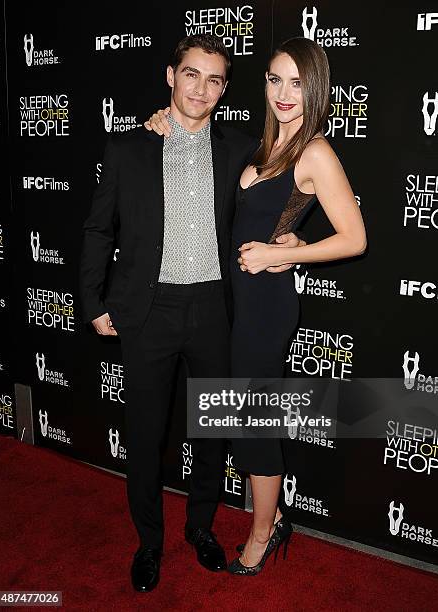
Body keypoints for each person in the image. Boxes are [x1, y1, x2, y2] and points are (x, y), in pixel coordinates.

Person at [79, 34, 303, 593]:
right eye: (192, 75)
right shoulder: (129, 148)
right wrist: (93, 302)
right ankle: (148, 542)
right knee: (146, 431)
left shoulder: (243, 150)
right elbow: (98, 230)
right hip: (148, 310)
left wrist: (292, 237)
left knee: (211, 430)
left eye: (215, 79)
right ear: (171, 77)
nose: (202, 88)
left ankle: (200, 526)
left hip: (215, 307)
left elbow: (289, 196)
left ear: (225, 88)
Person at [148, 36, 366, 576]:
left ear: (314, 88)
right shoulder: (260, 145)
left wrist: (285, 250)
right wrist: (162, 119)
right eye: (274, 80)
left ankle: (263, 532)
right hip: (232, 304)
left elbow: (355, 238)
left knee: (252, 427)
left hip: (266, 310)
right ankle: (268, 521)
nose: (284, 93)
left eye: (296, 82)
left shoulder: (315, 150)